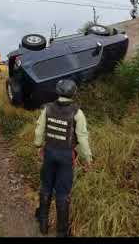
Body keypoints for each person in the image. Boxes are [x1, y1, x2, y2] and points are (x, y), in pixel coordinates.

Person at [34, 79, 93, 237]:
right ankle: (61, 232)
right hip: (66, 156)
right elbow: (82, 139)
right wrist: (88, 159)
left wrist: (39, 146)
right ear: (73, 93)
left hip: (49, 153)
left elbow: (39, 130)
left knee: (46, 187)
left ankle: (43, 223)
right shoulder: (77, 113)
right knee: (63, 192)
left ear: (57, 91)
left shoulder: (47, 108)